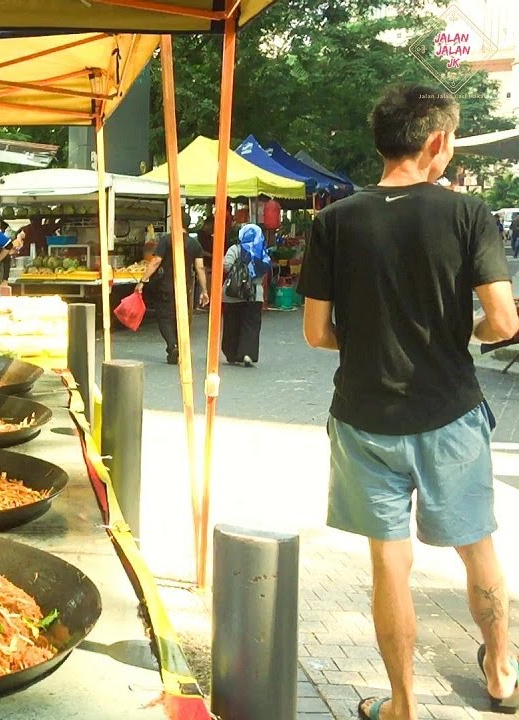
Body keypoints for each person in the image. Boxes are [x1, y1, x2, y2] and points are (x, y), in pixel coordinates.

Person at [298, 84, 519, 720]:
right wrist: (466, 333)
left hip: (364, 420)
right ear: (438, 141)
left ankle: (401, 706)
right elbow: (504, 322)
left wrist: (365, 343)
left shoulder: (333, 222)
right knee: (479, 547)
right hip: (450, 414)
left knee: (389, 569)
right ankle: (502, 671)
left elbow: (316, 334)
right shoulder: (469, 214)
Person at [135, 232, 210, 364]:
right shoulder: (194, 244)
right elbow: (200, 268)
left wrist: (143, 280)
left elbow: (156, 261)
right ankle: (179, 347)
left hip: (165, 285)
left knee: (164, 317)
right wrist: (204, 290)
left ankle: (172, 345)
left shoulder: (167, 240)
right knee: (180, 317)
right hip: (185, 286)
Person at [221, 224, 271, 367]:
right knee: (251, 325)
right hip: (254, 294)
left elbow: (226, 266)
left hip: (233, 293)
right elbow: (264, 271)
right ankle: (248, 353)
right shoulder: (262, 251)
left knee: (232, 323)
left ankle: (232, 354)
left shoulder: (235, 249)